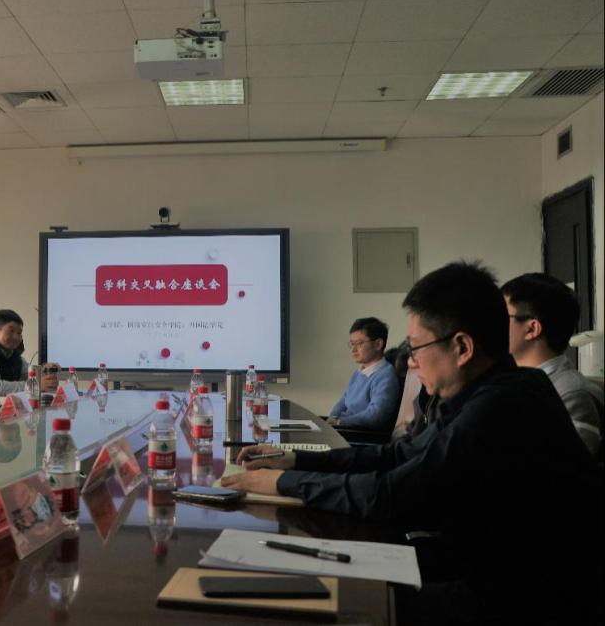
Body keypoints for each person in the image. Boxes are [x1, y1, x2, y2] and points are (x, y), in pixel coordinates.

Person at [221, 262, 601, 625]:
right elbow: (398, 455)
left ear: (462, 347)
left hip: (525, 599)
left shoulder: (501, 405)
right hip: (480, 565)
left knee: (340, 600)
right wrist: (293, 459)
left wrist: (280, 484)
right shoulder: (483, 391)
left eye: (416, 348)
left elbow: (391, 496)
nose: (411, 363)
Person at [502, 273, 603, 455]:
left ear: (532, 329)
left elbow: (570, 466)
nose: (492, 325)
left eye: (501, 316)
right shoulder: (508, 384)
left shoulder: (572, 393)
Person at [327, 317, 400, 430]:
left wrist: (340, 422)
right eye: (352, 344)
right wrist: (331, 419)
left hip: (360, 433)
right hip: (344, 427)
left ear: (378, 344)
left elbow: (375, 416)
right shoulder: (358, 373)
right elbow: (342, 403)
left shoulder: (386, 376)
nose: (353, 350)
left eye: (359, 343)